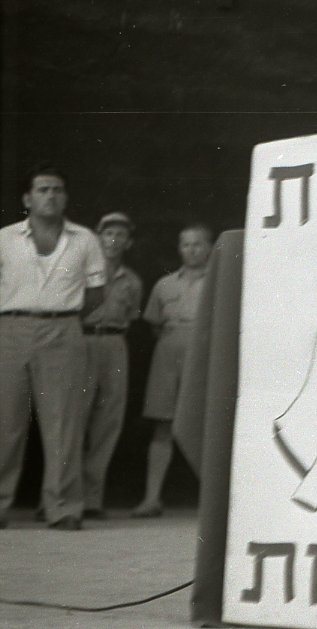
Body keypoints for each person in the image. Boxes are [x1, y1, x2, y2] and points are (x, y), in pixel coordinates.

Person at [0, 164, 107, 530]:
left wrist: (63, 317)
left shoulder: (85, 239)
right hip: (11, 329)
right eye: (43, 189)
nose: (51, 195)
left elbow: (95, 294)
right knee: (4, 422)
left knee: (63, 422)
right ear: (27, 198)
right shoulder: (5, 238)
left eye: (58, 189)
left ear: (66, 197)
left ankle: (62, 507)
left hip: (63, 330)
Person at [132, 222, 214, 518]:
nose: (191, 250)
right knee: (162, 424)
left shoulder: (219, 281)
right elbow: (154, 325)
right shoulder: (164, 285)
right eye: (185, 244)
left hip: (205, 353)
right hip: (168, 352)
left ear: (210, 247)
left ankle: (215, 501)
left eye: (198, 244)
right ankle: (152, 498)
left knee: (208, 425)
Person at [78, 212, 143, 519]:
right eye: (108, 234)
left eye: (120, 235)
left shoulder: (131, 281)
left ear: (128, 242)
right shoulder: (83, 272)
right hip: (82, 341)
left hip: (115, 343)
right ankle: (60, 497)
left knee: (108, 420)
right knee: (73, 418)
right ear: (97, 237)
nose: (114, 240)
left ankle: (91, 499)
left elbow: (131, 316)